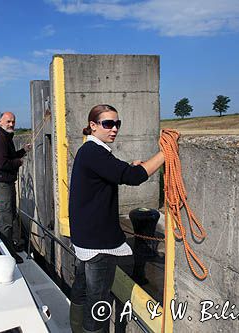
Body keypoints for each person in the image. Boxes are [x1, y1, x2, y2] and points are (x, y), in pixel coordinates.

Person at [68, 104, 165, 333]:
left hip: (85, 238)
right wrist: (165, 154)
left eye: (117, 123)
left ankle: (75, 328)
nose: (114, 129)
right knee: (98, 302)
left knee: (82, 288)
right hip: (99, 244)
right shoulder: (95, 152)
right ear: (93, 126)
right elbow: (132, 177)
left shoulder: (90, 151)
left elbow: (114, 170)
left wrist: (128, 166)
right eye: (107, 123)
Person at [0, 112, 31, 264]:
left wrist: (23, 151)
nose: (11, 124)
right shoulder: (0, 139)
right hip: (2, 185)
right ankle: (8, 255)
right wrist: (18, 163)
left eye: (13, 121)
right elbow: (3, 164)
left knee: (11, 214)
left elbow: (10, 156)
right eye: (8, 121)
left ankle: (13, 245)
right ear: (0, 122)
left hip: (6, 183)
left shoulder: (6, 137)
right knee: (6, 219)